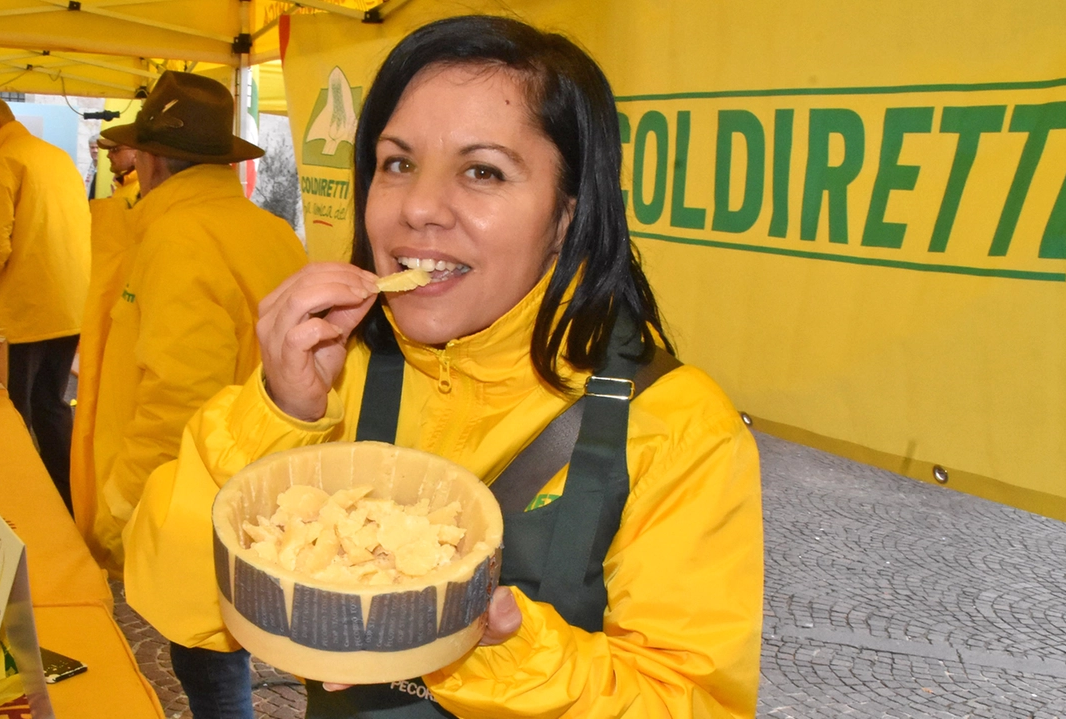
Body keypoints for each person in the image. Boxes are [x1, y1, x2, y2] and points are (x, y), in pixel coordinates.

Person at [124, 15, 762, 719]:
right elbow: (179, 599)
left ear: (567, 211)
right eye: (397, 163)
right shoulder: (345, 366)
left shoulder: (676, 428)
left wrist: (480, 640)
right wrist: (277, 412)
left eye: (482, 171)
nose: (418, 208)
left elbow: (692, 702)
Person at [72, 71, 307, 586]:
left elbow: (177, 406)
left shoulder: (176, 239)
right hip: (265, 494)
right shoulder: (272, 231)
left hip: (193, 505)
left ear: (151, 160)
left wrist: (115, 514)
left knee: (205, 653)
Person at [0, 94, 90, 512]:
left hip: (22, 315)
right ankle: (70, 503)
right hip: (68, 309)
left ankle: (17, 507)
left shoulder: (0, 163)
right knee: (51, 405)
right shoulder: (55, 158)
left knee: (11, 416)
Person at [98, 136, 141, 205]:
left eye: (115, 150)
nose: (108, 155)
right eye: (109, 150)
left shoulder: (143, 188)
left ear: (136, 153)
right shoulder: (123, 185)